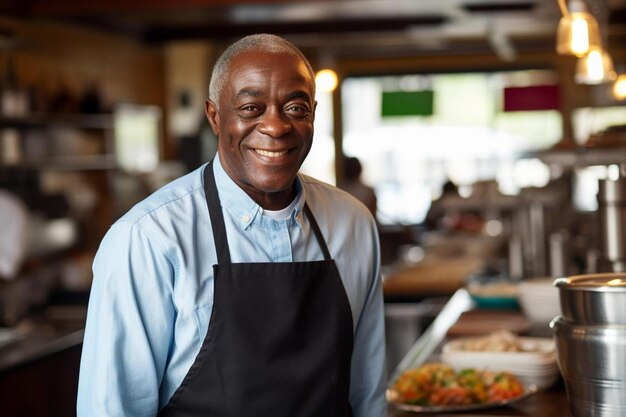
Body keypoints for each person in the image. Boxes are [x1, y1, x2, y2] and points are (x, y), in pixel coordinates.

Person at [77, 34, 386, 417]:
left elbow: (367, 394)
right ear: (214, 116)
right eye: (251, 107)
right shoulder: (148, 239)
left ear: (313, 115)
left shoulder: (353, 223)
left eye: (295, 108)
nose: (275, 126)